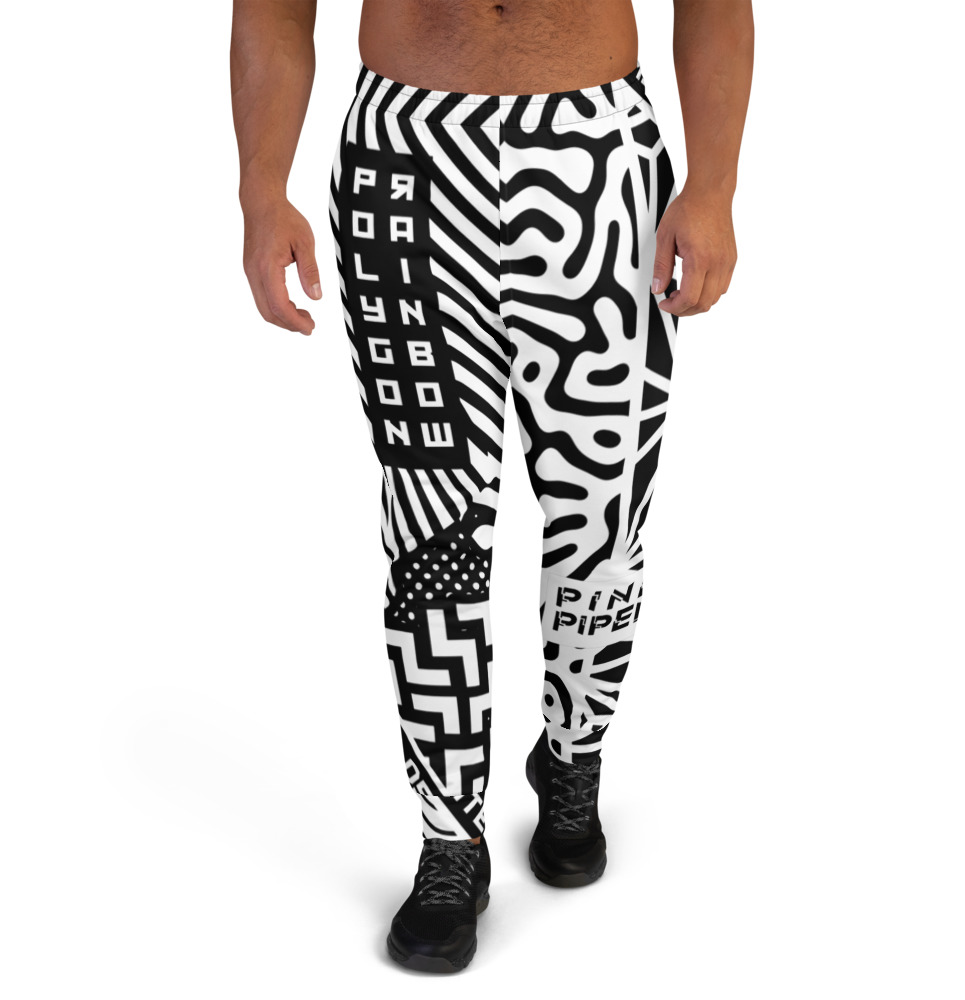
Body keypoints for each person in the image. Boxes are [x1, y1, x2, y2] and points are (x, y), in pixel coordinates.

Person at [231, 0, 753, 973]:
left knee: (603, 512)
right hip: (404, 157)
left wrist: (714, 184)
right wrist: (263, 188)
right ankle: (448, 835)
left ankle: (572, 751)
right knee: (432, 526)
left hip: (597, 155)